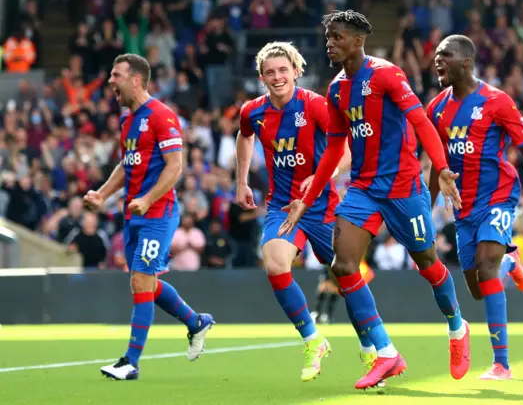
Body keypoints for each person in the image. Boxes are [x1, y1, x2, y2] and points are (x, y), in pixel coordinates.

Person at [278, 10, 470, 389]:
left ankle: (456, 326)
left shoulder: (386, 74)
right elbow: (334, 148)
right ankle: (385, 353)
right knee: (343, 265)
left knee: (428, 263)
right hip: (363, 190)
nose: (330, 43)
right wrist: (309, 196)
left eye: (337, 37)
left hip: (403, 187)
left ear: (358, 40)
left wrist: (443, 167)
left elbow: (421, 122)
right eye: (328, 37)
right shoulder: (336, 89)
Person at [235, 41, 378, 383]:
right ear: (262, 77)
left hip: (323, 207)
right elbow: (244, 137)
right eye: (270, 72)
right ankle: (314, 340)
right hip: (283, 207)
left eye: (283, 70)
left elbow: (344, 150)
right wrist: (241, 181)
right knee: (275, 263)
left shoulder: (315, 105)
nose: (277, 77)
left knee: (348, 279)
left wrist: (321, 174)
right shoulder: (252, 112)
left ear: (296, 72)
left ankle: (372, 349)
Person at [426, 35, 523, 380]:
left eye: (445, 56)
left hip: (498, 195)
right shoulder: (436, 108)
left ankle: (501, 364)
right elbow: (435, 164)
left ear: (466, 62)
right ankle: (510, 261)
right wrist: (425, 209)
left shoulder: (497, 101)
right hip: (463, 207)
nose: (438, 61)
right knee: (478, 289)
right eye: (436, 56)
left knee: (485, 264)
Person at [84, 54, 214, 380]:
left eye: (116, 75)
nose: (111, 82)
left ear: (136, 79)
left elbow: (175, 167)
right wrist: (102, 193)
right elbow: (126, 164)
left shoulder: (161, 115)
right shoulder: (128, 119)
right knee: (147, 284)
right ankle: (196, 322)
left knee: (141, 280)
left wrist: (147, 197)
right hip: (135, 215)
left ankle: (131, 362)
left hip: (158, 213)